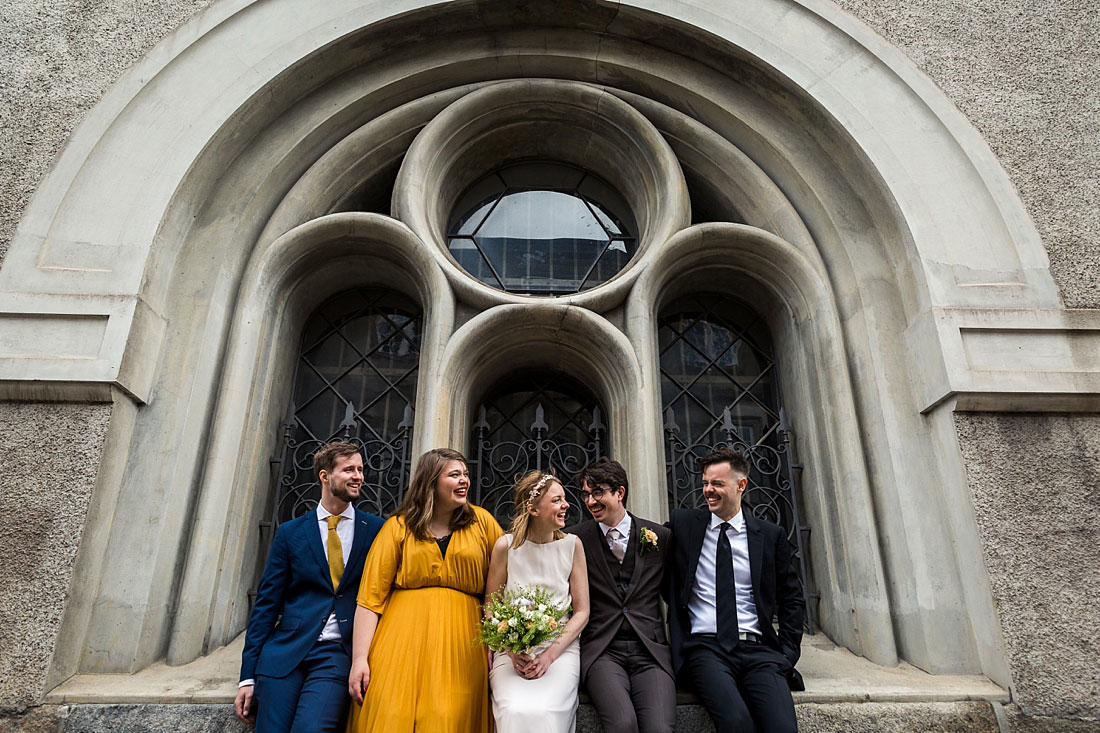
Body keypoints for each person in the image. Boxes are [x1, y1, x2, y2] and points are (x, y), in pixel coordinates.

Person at [346, 448, 503, 733]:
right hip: (399, 642)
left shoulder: (483, 523)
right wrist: (359, 660)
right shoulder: (398, 527)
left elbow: (504, 584)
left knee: (446, 718)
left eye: (465, 474)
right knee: (390, 714)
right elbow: (370, 600)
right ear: (431, 481)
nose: (464, 481)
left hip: (463, 644)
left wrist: (498, 640)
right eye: (454, 475)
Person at [235, 441, 385, 732]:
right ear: (325, 476)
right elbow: (267, 605)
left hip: (336, 655)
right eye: (348, 470)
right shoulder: (291, 533)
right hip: (285, 653)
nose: (358, 476)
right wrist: (247, 676)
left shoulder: (377, 529)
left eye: (360, 469)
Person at [666, 447, 805, 733]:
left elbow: (791, 597)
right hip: (705, 648)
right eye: (705, 483)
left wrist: (787, 653)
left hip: (760, 651)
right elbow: (642, 544)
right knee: (737, 723)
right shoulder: (684, 525)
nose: (708, 490)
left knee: (783, 728)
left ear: (741, 485)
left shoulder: (769, 535)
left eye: (717, 483)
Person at [565, 458, 675, 733]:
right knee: (622, 724)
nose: (590, 501)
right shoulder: (574, 539)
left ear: (620, 492)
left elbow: (675, 595)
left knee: (660, 728)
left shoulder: (660, 537)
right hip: (603, 652)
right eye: (586, 494)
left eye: (598, 492)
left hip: (650, 652)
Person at [485, 471, 590, 733]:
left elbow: (582, 611)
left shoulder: (573, 546)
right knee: (512, 709)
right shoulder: (505, 547)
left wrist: (549, 656)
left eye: (564, 499)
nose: (566, 505)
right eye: (557, 501)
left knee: (547, 712)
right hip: (511, 653)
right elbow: (490, 608)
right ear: (533, 509)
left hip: (560, 651)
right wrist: (510, 651)